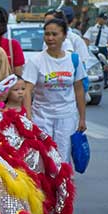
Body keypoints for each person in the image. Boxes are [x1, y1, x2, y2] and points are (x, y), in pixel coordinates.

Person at [21, 18, 86, 164]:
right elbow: (27, 91)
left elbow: (79, 89)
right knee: (44, 158)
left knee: (62, 158)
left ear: (64, 35)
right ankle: (45, 187)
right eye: (47, 34)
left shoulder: (73, 60)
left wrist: (82, 118)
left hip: (66, 117)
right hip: (42, 116)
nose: (50, 38)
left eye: (54, 34)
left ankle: (63, 186)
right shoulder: (36, 61)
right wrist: (29, 118)